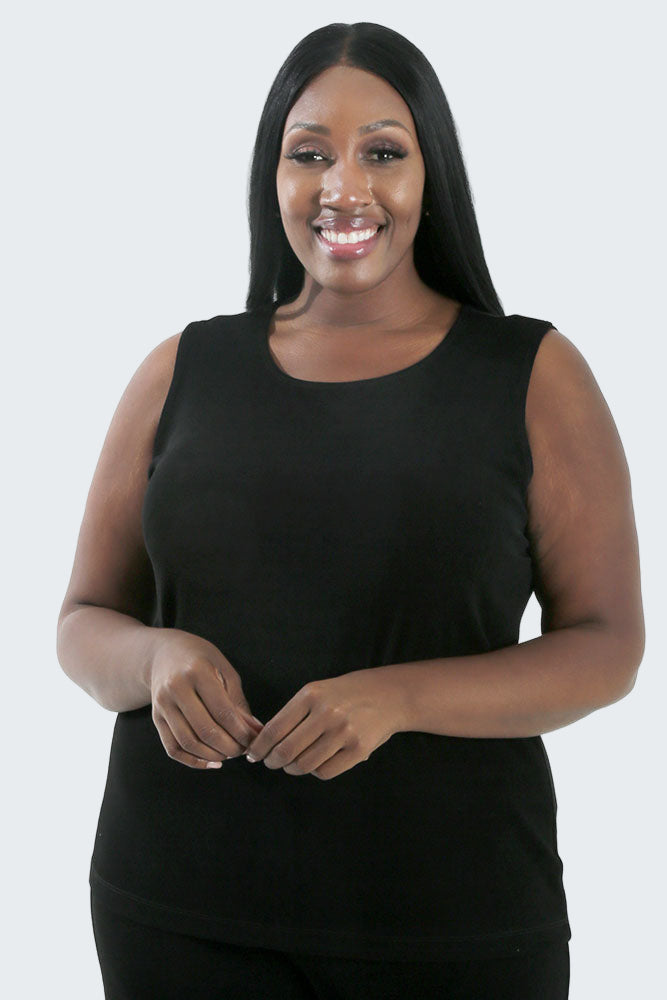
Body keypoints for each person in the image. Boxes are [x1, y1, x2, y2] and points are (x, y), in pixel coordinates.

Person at [56, 20, 644, 1000]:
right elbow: (81, 623)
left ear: (431, 172)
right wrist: (156, 657)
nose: (344, 188)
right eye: (308, 154)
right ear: (271, 175)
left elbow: (606, 646)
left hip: (452, 922)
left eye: (382, 151)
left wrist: (398, 697)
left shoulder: (533, 375)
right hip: (175, 908)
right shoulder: (181, 369)